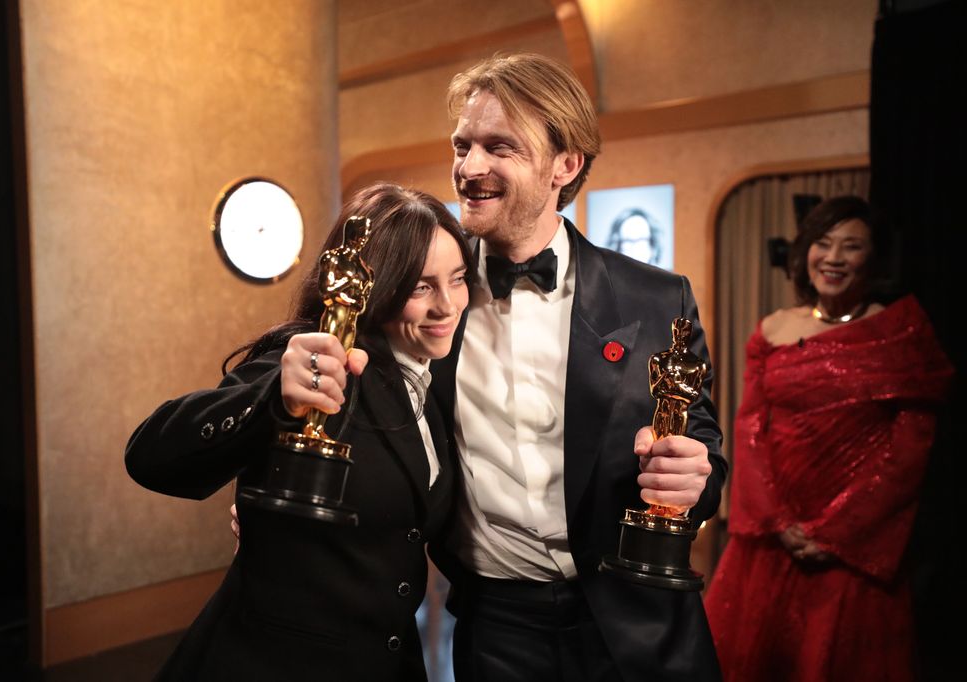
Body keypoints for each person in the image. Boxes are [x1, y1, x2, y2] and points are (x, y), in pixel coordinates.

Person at [429, 53, 725, 682]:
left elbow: (701, 447)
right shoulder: (425, 295)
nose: (469, 167)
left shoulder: (656, 298)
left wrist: (694, 481)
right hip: (495, 627)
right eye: (463, 145)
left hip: (637, 621)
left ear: (566, 165)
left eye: (499, 147)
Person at [125, 182, 473, 681]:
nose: (447, 305)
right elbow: (149, 456)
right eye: (421, 287)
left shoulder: (429, 381)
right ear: (374, 287)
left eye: (457, 279)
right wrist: (273, 401)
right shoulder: (318, 362)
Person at [703, 195, 954, 682]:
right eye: (823, 243)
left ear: (874, 257)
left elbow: (910, 448)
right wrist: (779, 521)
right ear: (804, 252)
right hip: (774, 540)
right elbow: (749, 426)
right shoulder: (772, 330)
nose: (834, 258)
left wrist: (837, 531)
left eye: (851, 246)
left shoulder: (900, 330)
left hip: (854, 547)